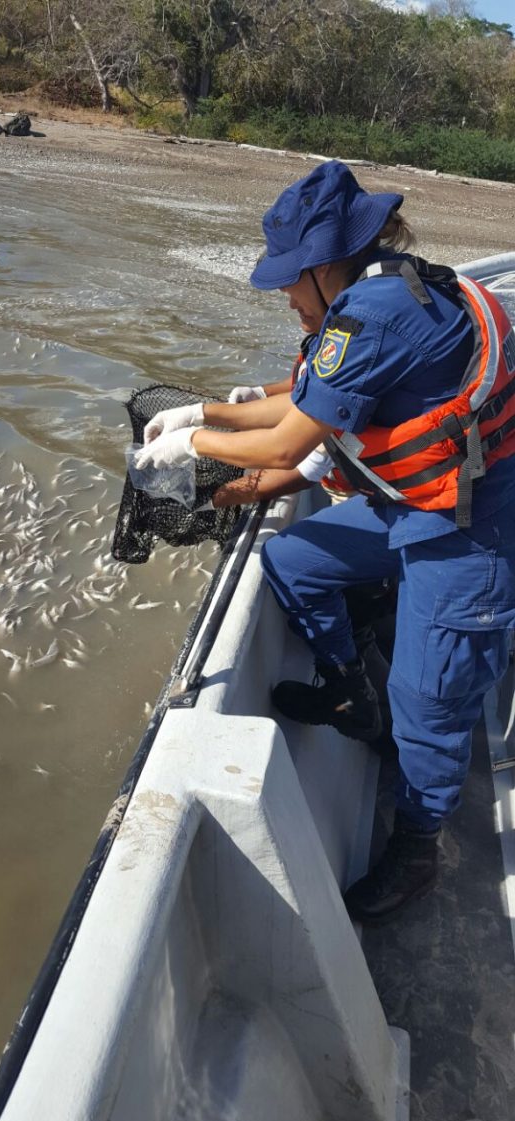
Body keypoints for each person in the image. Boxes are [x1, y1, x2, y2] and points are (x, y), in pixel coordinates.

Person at [135, 160, 515, 925]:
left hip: (472, 531)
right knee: (293, 559)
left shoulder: (375, 314)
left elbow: (285, 453)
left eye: (288, 280)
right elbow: (304, 394)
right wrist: (215, 407)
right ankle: (351, 690)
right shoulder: (384, 287)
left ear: (322, 267)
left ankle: (417, 847)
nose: (283, 295)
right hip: (415, 504)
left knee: (428, 703)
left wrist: (191, 442)